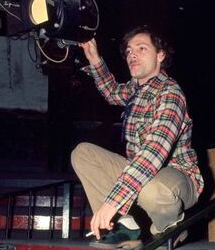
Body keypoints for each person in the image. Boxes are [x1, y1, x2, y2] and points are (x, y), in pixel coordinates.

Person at [71, 25, 204, 249]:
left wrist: (112, 202)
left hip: (178, 178)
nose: (132, 55)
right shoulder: (136, 89)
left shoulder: (171, 94)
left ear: (160, 55)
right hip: (142, 173)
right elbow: (112, 92)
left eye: (142, 48)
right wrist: (94, 59)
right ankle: (125, 229)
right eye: (130, 51)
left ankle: (171, 228)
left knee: (150, 189)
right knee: (83, 153)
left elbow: (154, 152)